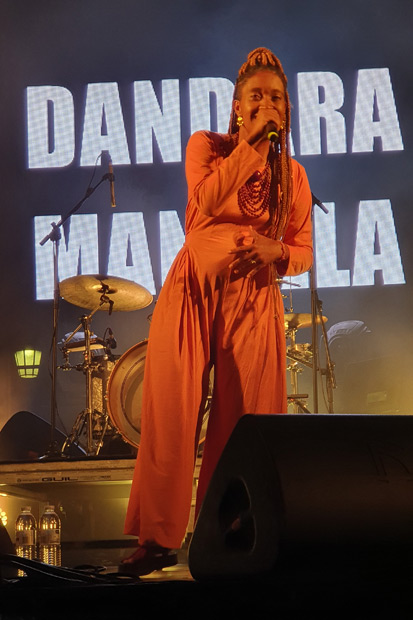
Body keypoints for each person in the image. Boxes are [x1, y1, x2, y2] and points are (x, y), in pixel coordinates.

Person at [120, 47, 313, 575]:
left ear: (288, 110)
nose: (267, 104)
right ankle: (157, 541)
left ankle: (223, 535)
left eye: (277, 97)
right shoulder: (207, 146)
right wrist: (251, 145)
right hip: (192, 294)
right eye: (257, 97)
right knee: (171, 414)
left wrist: (279, 254)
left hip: (253, 301)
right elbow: (207, 201)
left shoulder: (292, 177)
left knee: (243, 423)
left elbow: (305, 250)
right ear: (238, 107)